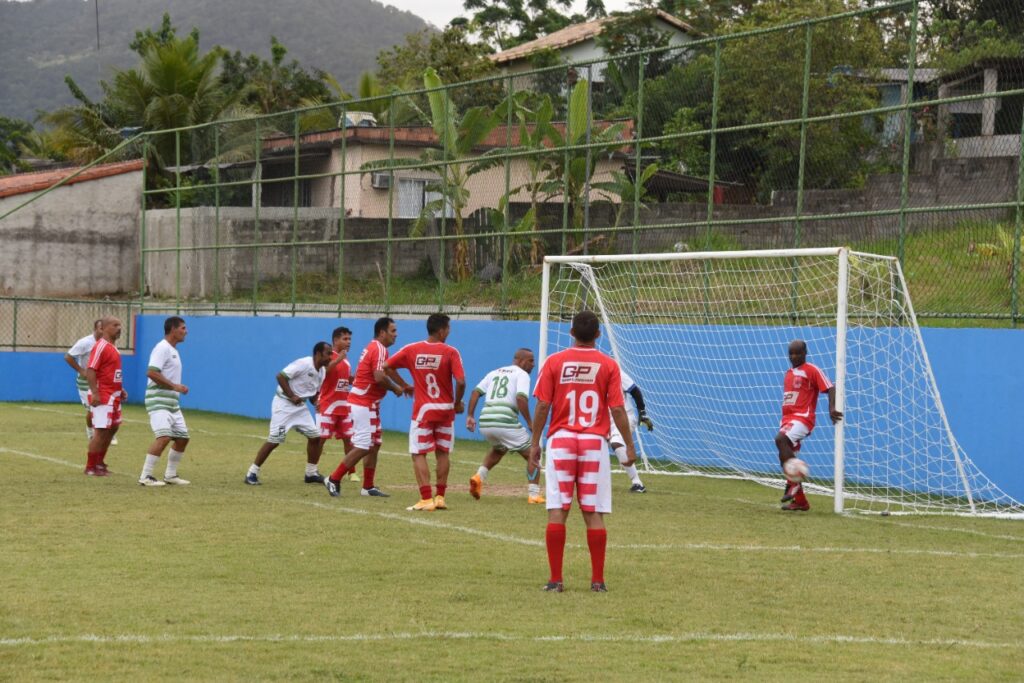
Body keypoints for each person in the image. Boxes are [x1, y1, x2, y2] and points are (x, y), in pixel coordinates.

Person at [528, 311, 636, 593]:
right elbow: (617, 409)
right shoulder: (608, 365)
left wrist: (535, 442)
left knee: (557, 510)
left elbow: (542, 406)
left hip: (561, 441)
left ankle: (555, 580)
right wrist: (629, 444)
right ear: (598, 335)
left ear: (571, 332)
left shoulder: (554, 361)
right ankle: (597, 581)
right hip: (593, 444)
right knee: (593, 511)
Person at [324, 317, 412, 498]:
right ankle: (333, 478)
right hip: (362, 403)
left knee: (374, 445)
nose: (396, 335)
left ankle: (368, 486)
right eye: (393, 331)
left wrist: (403, 385)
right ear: (382, 333)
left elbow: (388, 370)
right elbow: (379, 376)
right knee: (364, 445)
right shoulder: (379, 348)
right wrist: (396, 388)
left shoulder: (377, 348)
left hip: (369, 403)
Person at [386, 314, 466, 512]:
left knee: (418, 453)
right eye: (448, 329)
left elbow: (386, 366)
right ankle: (440, 497)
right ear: (441, 330)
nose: (449, 332)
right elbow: (461, 381)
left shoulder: (412, 349)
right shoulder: (451, 352)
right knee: (443, 453)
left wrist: (404, 384)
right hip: (446, 410)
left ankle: (425, 499)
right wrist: (456, 403)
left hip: (423, 410)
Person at [245, 342, 333, 486]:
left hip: (300, 408)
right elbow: (280, 376)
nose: (331, 357)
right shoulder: (304, 363)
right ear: (318, 353)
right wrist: (292, 395)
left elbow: (312, 393)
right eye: (328, 353)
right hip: (284, 404)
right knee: (275, 440)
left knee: (315, 437)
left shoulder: (322, 372)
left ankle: (311, 473)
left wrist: (316, 402)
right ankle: (252, 473)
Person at [466, 348, 543, 504]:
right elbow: (521, 399)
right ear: (520, 361)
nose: (533, 365)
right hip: (504, 420)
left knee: (499, 449)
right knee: (532, 453)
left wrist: (470, 416)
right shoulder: (521, 375)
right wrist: (529, 422)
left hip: (486, 420)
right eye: (531, 360)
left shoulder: (494, 372)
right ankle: (534, 495)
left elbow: (475, 392)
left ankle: (479, 477)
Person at [776, 339, 843, 512]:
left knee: (780, 440)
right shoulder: (789, 373)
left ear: (805, 353)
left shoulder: (811, 370)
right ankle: (801, 502)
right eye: (791, 353)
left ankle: (793, 484)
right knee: (785, 458)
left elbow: (830, 387)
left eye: (798, 353)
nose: (794, 356)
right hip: (787, 419)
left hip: (803, 418)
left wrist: (832, 408)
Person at [137, 317, 191, 487]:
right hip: (158, 400)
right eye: (183, 328)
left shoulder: (173, 350)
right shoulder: (162, 348)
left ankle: (170, 475)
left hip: (172, 403)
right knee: (164, 437)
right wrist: (174, 386)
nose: (186, 331)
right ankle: (145, 476)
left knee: (182, 438)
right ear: (173, 329)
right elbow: (151, 373)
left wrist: (176, 388)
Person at [312, 326, 360, 483]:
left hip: (343, 406)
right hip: (327, 406)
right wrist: (338, 358)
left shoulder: (345, 359)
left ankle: (351, 472)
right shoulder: (330, 356)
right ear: (335, 340)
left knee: (349, 439)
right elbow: (326, 371)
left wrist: (355, 379)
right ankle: (312, 470)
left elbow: (343, 381)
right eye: (345, 339)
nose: (348, 342)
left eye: (350, 339)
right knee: (321, 439)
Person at [83, 316, 128, 476]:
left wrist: (120, 389)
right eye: (115, 325)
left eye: (120, 325)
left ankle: (100, 463)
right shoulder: (100, 346)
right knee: (101, 430)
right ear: (104, 328)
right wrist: (95, 392)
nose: (119, 328)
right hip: (103, 395)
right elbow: (91, 369)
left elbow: (110, 372)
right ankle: (90, 467)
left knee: (113, 428)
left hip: (113, 394)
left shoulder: (113, 347)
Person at [64, 319, 116, 445]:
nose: (103, 331)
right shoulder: (85, 342)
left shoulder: (108, 343)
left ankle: (108, 434)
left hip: (102, 380)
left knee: (108, 406)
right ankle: (90, 430)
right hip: (85, 381)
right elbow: (68, 356)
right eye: (100, 328)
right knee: (93, 408)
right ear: (95, 329)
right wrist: (81, 370)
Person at [608, 369, 654, 493]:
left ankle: (637, 483)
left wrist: (642, 413)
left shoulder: (615, 372)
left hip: (625, 417)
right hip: (605, 421)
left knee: (616, 442)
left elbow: (635, 391)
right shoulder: (590, 377)